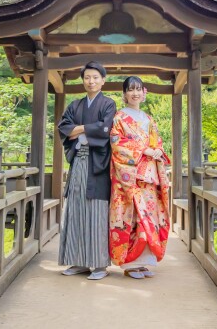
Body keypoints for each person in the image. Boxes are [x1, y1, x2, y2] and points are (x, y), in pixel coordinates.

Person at [57, 61, 117, 280]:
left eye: (95, 77)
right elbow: (64, 128)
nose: (91, 81)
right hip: (78, 163)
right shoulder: (75, 105)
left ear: (103, 80)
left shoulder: (109, 104)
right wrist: (90, 129)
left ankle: (100, 264)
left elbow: (106, 128)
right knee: (75, 209)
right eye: (87, 77)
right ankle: (78, 261)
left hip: (98, 166)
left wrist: (79, 130)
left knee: (96, 212)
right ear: (83, 80)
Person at [109, 76, 171, 279]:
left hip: (149, 176)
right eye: (130, 89)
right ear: (124, 94)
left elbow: (157, 142)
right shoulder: (119, 118)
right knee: (133, 218)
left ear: (144, 93)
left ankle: (144, 261)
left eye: (138, 89)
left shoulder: (148, 119)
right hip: (131, 177)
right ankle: (130, 263)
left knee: (149, 218)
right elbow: (117, 143)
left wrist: (157, 151)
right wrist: (144, 150)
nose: (135, 93)